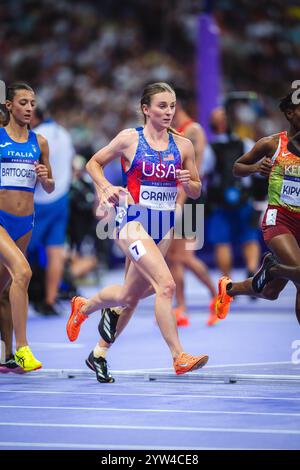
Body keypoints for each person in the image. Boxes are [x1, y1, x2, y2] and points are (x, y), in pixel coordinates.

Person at [66, 82, 209, 382]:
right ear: (146, 109)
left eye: (171, 106)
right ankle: (178, 356)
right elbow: (94, 163)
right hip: (133, 222)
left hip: (164, 227)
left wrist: (188, 181)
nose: (168, 111)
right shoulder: (130, 138)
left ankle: (88, 319)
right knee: (165, 286)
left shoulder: (183, 145)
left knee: (129, 297)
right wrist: (106, 188)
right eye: (161, 106)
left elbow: (196, 190)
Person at [215, 91, 300, 325]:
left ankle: (229, 288)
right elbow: (237, 167)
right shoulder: (272, 143)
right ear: (290, 113)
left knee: (270, 293)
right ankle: (271, 268)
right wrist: (255, 169)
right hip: (280, 219)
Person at [0, 82, 54, 372]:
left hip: (25, 222)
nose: (29, 108)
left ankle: (5, 354)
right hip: (0, 219)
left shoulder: (40, 142)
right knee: (23, 273)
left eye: (32, 103)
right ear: (9, 106)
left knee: (5, 286)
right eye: (23, 102)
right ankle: (23, 349)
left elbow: (50, 185)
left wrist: (45, 178)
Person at [167, 88, 218, 327]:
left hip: (189, 198)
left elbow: (193, 173)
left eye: (168, 106)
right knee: (173, 258)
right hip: (172, 198)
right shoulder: (169, 132)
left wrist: (181, 201)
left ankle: (217, 296)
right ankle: (181, 307)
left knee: (185, 257)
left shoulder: (193, 130)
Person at [27, 106, 75, 315]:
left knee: (20, 249)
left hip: (38, 199)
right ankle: (50, 299)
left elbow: (32, 168)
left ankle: (11, 297)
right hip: (61, 197)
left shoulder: (36, 136)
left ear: (35, 118)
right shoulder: (64, 134)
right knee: (55, 251)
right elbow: (73, 166)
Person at [205, 107, 261, 279]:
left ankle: (227, 281)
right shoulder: (246, 143)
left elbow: (202, 171)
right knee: (249, 238)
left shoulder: (210, 149)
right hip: (244, 197)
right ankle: (252, 272)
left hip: (220, 201)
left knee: (222, 242)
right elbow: (260, 171)